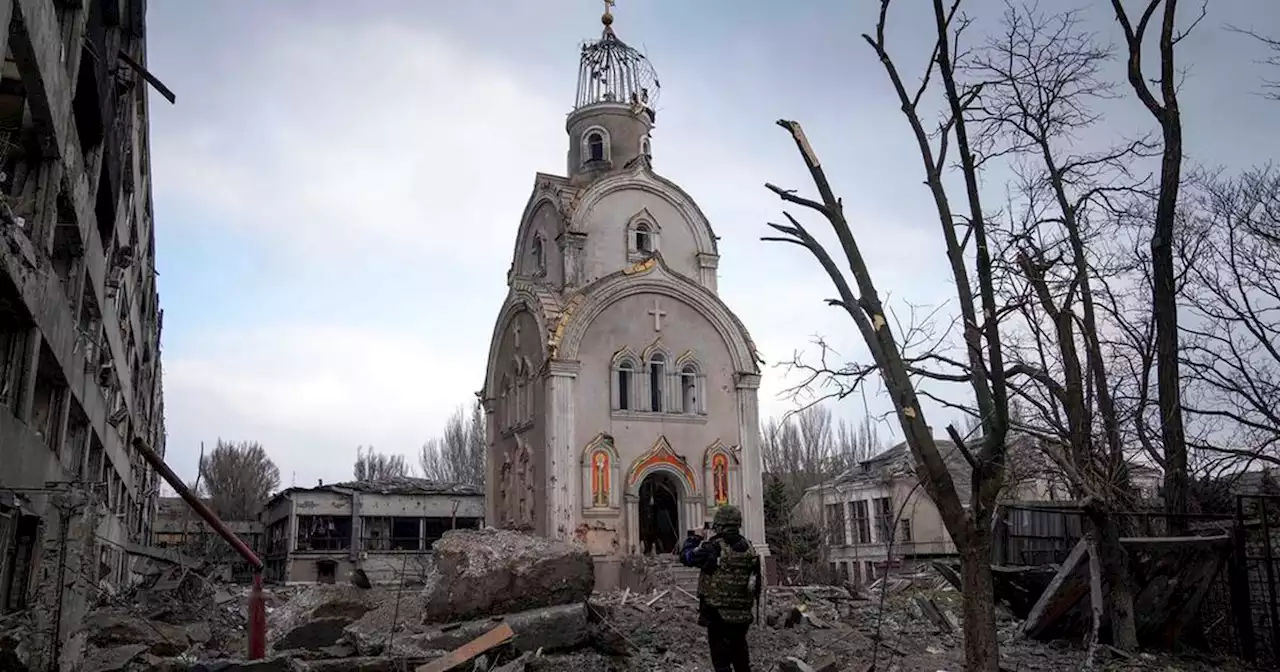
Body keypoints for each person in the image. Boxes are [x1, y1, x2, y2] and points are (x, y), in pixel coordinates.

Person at [680, 505, 762, 672]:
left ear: (719, 525)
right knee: (740, 655)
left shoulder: (712, 548)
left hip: (717, 612)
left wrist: (695, 538)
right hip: (742, 613)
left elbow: (686, 557)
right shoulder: (749, 548)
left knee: (721, 660)